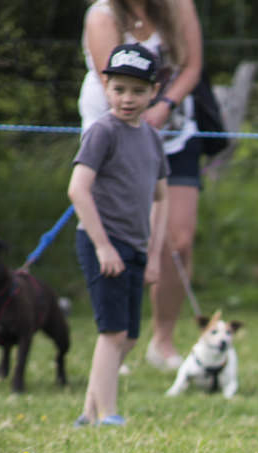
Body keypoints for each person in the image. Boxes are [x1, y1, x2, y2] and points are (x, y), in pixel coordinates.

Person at [80, 0, 204, 371]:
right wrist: (140, 120)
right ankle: (115, 339)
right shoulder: (102, 16)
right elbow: (114, 86)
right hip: (118, 141)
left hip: (174, 135)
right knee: (119, 241)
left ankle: (162, 341)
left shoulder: (179, 7)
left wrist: (164, 105)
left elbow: (192, 66)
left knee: (179, 241)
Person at [69, 43, 170, 426]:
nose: (128, 99)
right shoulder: (102, 132)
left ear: (153, 92)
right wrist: (102, 246)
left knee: (127, 337)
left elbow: (161, 198)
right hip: (103, 244)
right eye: (119, 89)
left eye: (138, 91)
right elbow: (78, 189)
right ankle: (107, 415)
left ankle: (89, 413)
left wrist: (154, 254)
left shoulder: (151, 138)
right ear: (105, 86)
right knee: (112, 332)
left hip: (135, 247)